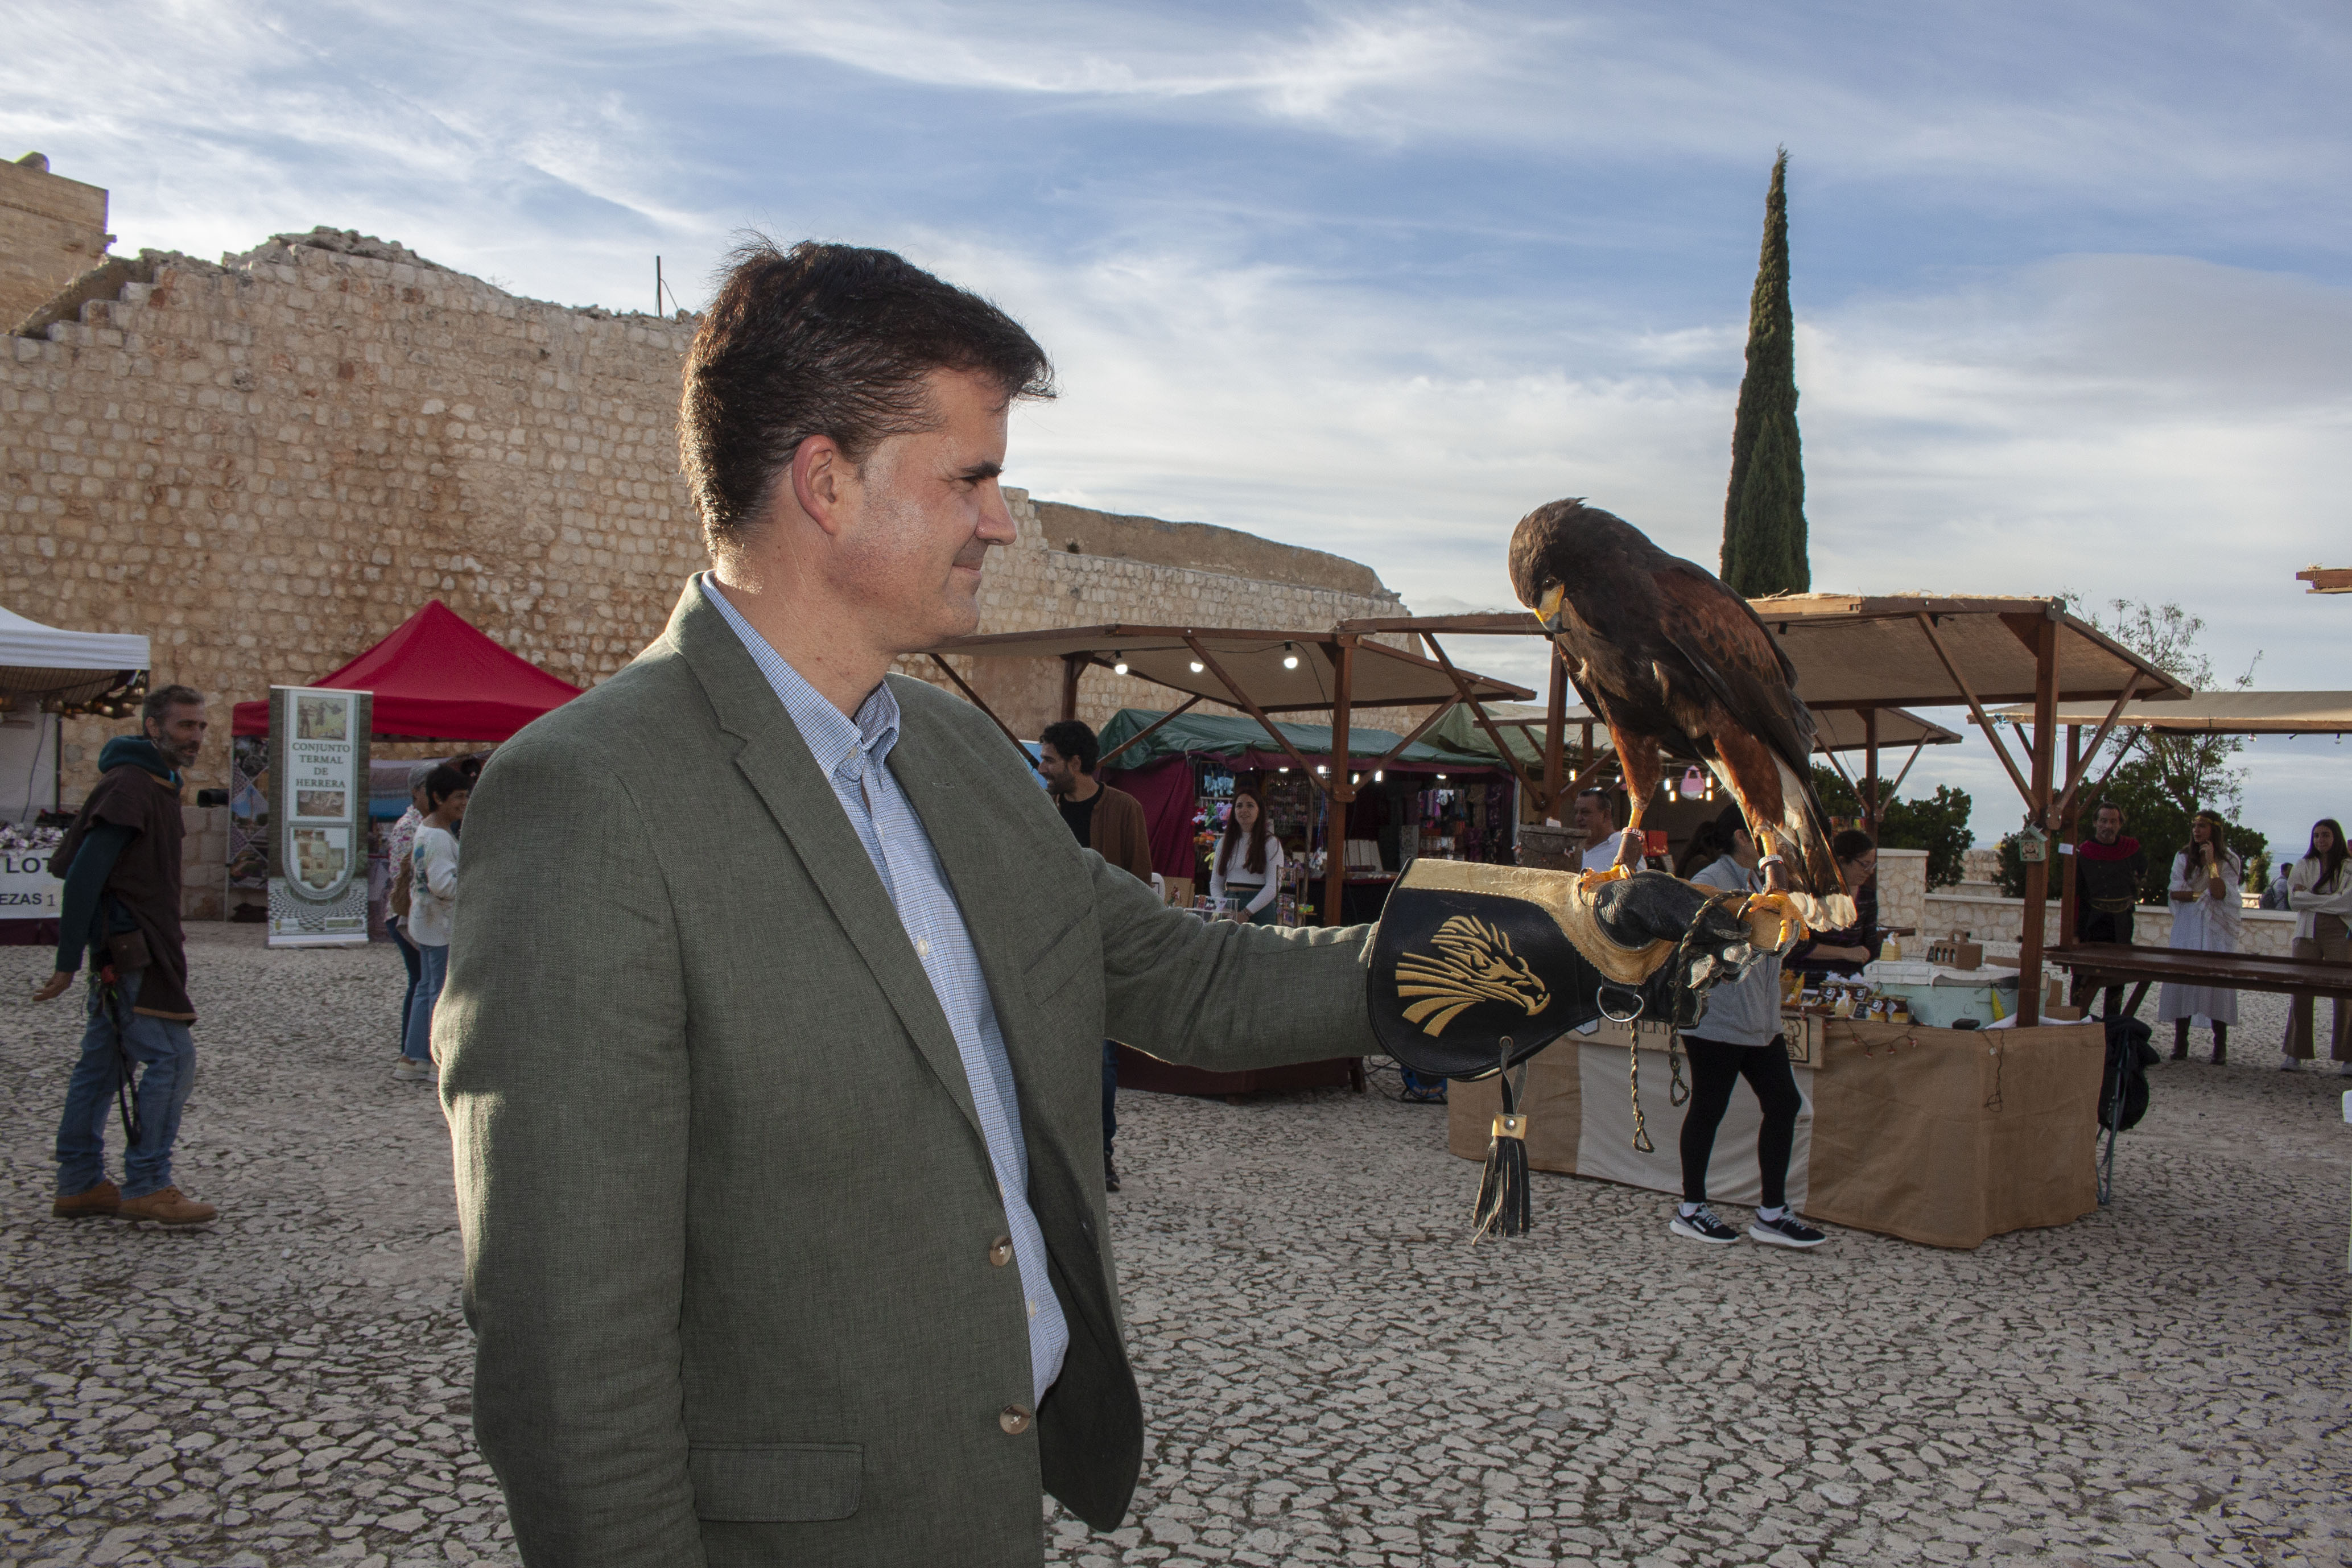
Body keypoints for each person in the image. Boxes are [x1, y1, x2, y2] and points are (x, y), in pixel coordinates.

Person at [439, 239, 1381, 1566]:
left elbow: (1187, 977)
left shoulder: (954, 754)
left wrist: (1519, 949)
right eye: (970, 479)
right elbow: (565, 1341)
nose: (999, 522)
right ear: (826, 483)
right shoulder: (592, 793)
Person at [34, 684, 217, 1226]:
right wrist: (68, 961)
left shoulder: (155, 783)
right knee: (172, 1059)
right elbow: (83, 877)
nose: (196, 737)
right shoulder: (131, 784)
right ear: (153, 727)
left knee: (103, 1064)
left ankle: (79, 1183)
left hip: (136, 944)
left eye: (201, 726)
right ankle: (147, 1183)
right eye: (185, 726)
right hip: (132, 950)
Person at [1672, 803, 1826, 1250]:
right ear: (1744, 837)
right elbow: (1713, 944)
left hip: (1761, 1021)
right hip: (1717, 1018)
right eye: (1767, 834)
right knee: (1709, 1108)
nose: (1776, 842)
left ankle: (1772, 1212)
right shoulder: (1713, 881)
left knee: (1784, 1104)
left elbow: (1781, 943)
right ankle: (1691, 1208)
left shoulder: (1763, 881)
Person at [1037, 718, 1153, 1194]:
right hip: (1048, 951)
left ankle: (1101, 1153)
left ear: (1075, 762)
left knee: (1102, 1058)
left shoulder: (1124, 810)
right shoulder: (1041, 811)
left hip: (1102, 951)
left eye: (1049, 760)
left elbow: (1139, 883)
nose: (1041, 768)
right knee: (1048, 1056)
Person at [397, 765, 467, 1083]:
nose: (464, 803)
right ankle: (437, 1058)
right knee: (440, 993)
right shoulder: (438, 837)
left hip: (426, 922)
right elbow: (443, 886)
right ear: (439, 798)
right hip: (440, 925)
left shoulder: (427, 830)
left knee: (426, 990)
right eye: (458, 797)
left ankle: (414, 1057)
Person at [2156, 810, 2241, 1063]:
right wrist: (2205, 896)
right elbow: (2176, 893)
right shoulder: (2183, 857)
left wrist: (2212, 863)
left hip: (2216, 930)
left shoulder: (2230, 860)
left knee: (2217, 981)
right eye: (2194, 826)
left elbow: (2221, 893)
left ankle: (2220, 1045)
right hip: (2188, 925)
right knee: (2183, 978)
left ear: (2214, 829)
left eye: (2202, 826)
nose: (2197, 830)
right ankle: (2180, 1042)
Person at [2283, 818, 2352, 1072]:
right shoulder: (2303, 865)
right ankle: (2295, 1053)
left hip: (2340, 932)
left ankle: (2348, 1056)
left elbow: (2348, 903)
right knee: (2301, 990)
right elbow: (2295, 902)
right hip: (2306, 932)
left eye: (2326, 835)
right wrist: (2330, 899)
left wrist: (2310, 897)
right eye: (2316, 835)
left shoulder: (2348, 867)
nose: (2321, 840)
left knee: (2344, 993)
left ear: (2336, 837)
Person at [2070, 800, 2147, 1019]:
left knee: (2116, 980)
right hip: (2092, 924)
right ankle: (2077, 1023)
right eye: (2104, 821)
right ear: (2095, 823)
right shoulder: (2085, 853)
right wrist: (2075, 932)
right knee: (2083, 980)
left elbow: (2142, 874)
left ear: (2120, 824)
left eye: (2113, 821)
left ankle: (2112, 1027)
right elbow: (2077, 894)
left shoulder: (2131, 850)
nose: (2108, 826)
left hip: (2121, 924)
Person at [384, 764, 432, 1068]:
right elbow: (402, 875)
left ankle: (415, 1047)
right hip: (406, 914)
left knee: (423, 981)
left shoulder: (430, 824)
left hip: (420, 914)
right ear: (416, 792)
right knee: (420, 982)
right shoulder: (408, 827)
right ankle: (411, 1049)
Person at [1786, 830, 1881, 978]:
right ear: (1841, 861)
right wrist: (1845, 953)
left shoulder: (1866, 897)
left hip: (1850, 981)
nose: (1870, 872)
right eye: (1865, 865)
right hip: (1804, 980)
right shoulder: (1808, 894)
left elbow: (1871, 945)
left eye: (1872, 866)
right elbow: (1795, 945)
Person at [1209, 789, 1286, 922]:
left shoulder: (1271, 843)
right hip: (1229, 907)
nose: (1244, 810)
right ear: (1233, 812)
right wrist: (1224, 909)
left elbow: (1273, 886)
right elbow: (1216, 883)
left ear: (1259, 811)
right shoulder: (1224, 843)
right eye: (1239, 806)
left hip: (1261, 910)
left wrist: (1246, 913)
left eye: (1250, 805)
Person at [1570, 786, 1641, 875]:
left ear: (1606, 815)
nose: (1578, 818)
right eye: (1576, 813)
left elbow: (1642, 882)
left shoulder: (1624, 849)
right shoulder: (1573, 851)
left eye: (1585, 812)